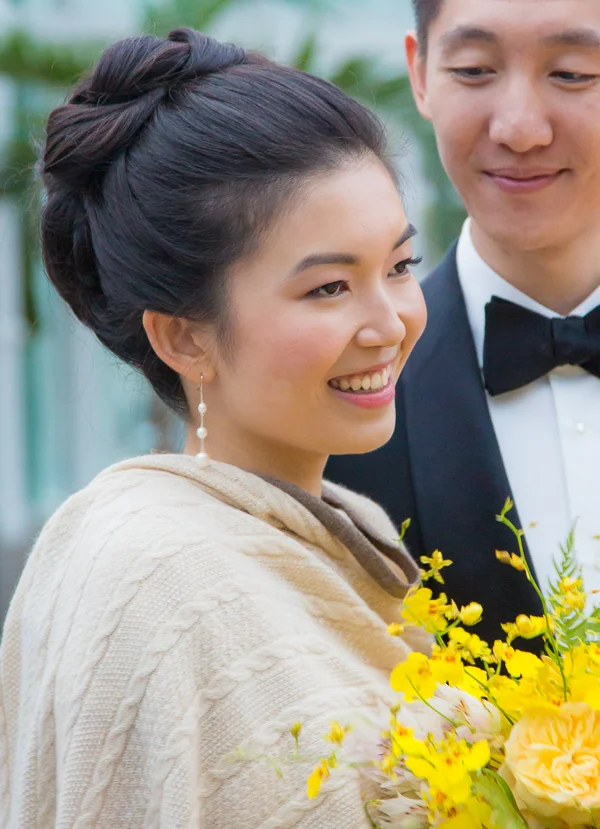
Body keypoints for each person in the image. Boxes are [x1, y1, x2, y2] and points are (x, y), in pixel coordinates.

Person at [0, 28, 431, 829]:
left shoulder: (351, 528)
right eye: (330, 288)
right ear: (185, 337)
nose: (390, 323)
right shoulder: (152, 575)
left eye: (400, 267)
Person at [327, 0, 600, 644]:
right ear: (420, 74)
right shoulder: (333, 410)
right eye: (475, 70)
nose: (520, 130)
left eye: (572, 73)